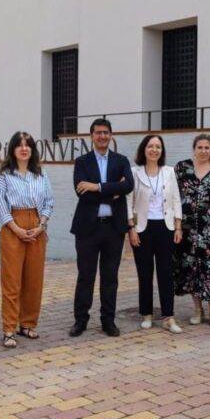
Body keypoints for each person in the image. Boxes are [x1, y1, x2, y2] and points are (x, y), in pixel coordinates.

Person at [69, 118, 134, 337]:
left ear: (111, 135)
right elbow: (81, 193)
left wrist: (97, 187)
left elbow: (128, 185)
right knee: (85, 276)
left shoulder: (121, 160)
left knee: (110, 278)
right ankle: (80, 320)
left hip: (113, 229)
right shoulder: (82, 162)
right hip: (88, 228)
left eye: (106, 132)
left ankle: (108, 321)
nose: (102, 136)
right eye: (98, 132)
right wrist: (112, 193)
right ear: (92, 136)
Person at [0, 131, 54, 348]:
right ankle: (9, 328)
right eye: (19, 145)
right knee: (12, 281)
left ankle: (27, 323)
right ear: (13, 149)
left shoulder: (41, 173)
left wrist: (41, 225)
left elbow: (48, 201)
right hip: (12, 226)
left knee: (33, 279)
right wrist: (16, 229)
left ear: (32, 150)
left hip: (37, 225)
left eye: (28, 145)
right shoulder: (4, 175)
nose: (24, 148)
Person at [174, 134, 210, 328]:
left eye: (206, 147)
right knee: (192, 270)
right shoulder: (182, 169)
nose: (203, 151)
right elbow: (173, 196)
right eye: (199, 147)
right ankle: (197, 310)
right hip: (188, 230)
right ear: (194, 149)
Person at [126, 135, 183, 333]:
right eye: (150, 146)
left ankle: (169, 316)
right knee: (145, 273)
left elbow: (176, 200)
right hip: (142, 228)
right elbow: (128, 202)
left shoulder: (169, 172)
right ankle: (147, 314)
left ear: (162, 151)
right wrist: (131, 228)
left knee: (166, 273)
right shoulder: (134, 173)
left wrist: (178, 227)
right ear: (144, 150)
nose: (154, 150)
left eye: (158, 147)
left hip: (166, 227)